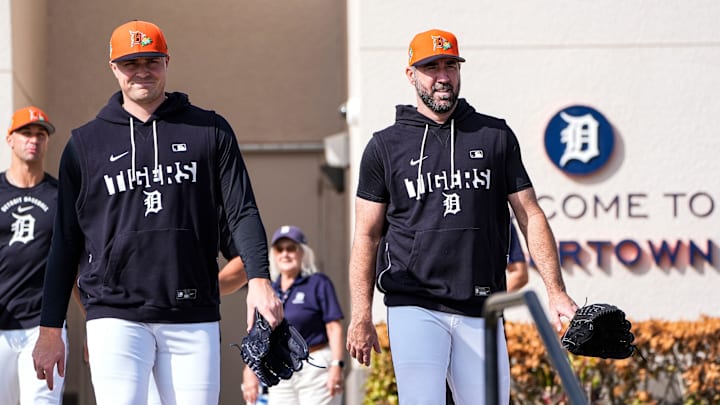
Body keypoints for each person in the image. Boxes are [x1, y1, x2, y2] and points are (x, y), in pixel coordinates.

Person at [31, 20, 282, 405]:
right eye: (131, 63)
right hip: (114, 313)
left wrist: (260, 280)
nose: (142, 71)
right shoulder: (85, 144)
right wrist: (51, 329)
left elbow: (241, 210)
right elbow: (65, 242)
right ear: (113, 67)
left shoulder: (209, 129)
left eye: (151, 60)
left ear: (167, 62)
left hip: (192, 310)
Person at [345, 28, 578, 405]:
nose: (442, 77)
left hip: (482, 306)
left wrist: (555, 291)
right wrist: (361, 314)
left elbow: (529, 213)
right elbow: (367, 235)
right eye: (431, 67)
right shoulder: (384, 146)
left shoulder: (494, 135)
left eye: (450, 66)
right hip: (414, 304)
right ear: (411, 75)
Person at [0, 106, 63, 404]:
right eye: (26, 132)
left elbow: (73, 264)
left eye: (40, 134)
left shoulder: (60, 195)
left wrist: (91, 320)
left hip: (44, 326)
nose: (34, 139)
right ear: (10, 139)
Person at [242, 225, 345, 405]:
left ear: (302, 252)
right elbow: (257, 335)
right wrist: (249, 370)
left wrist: (337, 365)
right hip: (282, 365)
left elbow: (333, 327)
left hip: (316, 364)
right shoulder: (269, 290)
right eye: (279, 249)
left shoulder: (318, 283)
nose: (285, 254)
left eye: (291, 248)